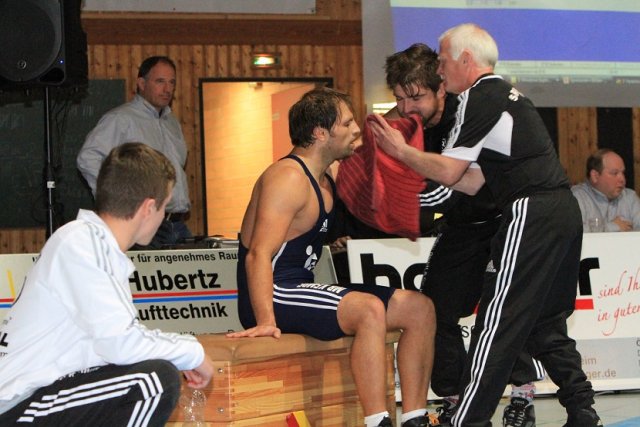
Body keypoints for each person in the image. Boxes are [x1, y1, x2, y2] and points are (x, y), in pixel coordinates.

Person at [369, 24, 601, 427]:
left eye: (443, 61)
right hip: (559, 209)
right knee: (545, 319)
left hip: (525, 212)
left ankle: (468, 419)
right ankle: (583, 410)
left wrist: (401, 160)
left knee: (496, 323)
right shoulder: (502, 95)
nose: (440, 70)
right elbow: (474, 181)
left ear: (464, 60)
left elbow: (451, 174)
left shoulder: (476, 97)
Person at [226, 87, 436, 427]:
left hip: (298, 288)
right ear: (320, 133)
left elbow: (373, 150)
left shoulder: (328, 174)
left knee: (419, 308)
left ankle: (414, 419)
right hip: (270, 293)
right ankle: (378, 422)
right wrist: (265, 320)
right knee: (368, 309)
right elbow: (258, 254)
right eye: (348, 123)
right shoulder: (287, 178)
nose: (356, 130)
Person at [383, 43, 543, 427]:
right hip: (460, 225)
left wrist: (399, 201)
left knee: (504, 309)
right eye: (399, 98)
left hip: (503, 220)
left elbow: (463, 183)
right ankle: (454, 397)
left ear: (441, 88)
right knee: (433, 306)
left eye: (415, 98)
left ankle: (522, 395)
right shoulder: (403, 121)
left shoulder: (470, 111)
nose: (406, 107)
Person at [0, 142, 214, 425]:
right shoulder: (83, 243)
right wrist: (192, 352)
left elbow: (110, 345)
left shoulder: (94, 245)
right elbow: (120, 343)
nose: (164, 217)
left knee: (144, 370)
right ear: (149, 207)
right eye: (165, 207)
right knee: (153, 381)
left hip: (34, 397)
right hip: (15, 404)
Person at [77, 56, 192, 248]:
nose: (167, 89)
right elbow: (88, 158)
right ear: (141, 83)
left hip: (177, 223)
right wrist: (120, 202)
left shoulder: (172, 123)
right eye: (160, 81)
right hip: (143, 223)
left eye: (172, 82)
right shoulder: (120, 119)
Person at [571, 148, 640, 232]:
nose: (622, 179)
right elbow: (571, 232)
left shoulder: (630, 197)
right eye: (615, 173)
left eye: (623, 173)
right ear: (595, 176)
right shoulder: (576, 197)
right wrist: (612, 227)